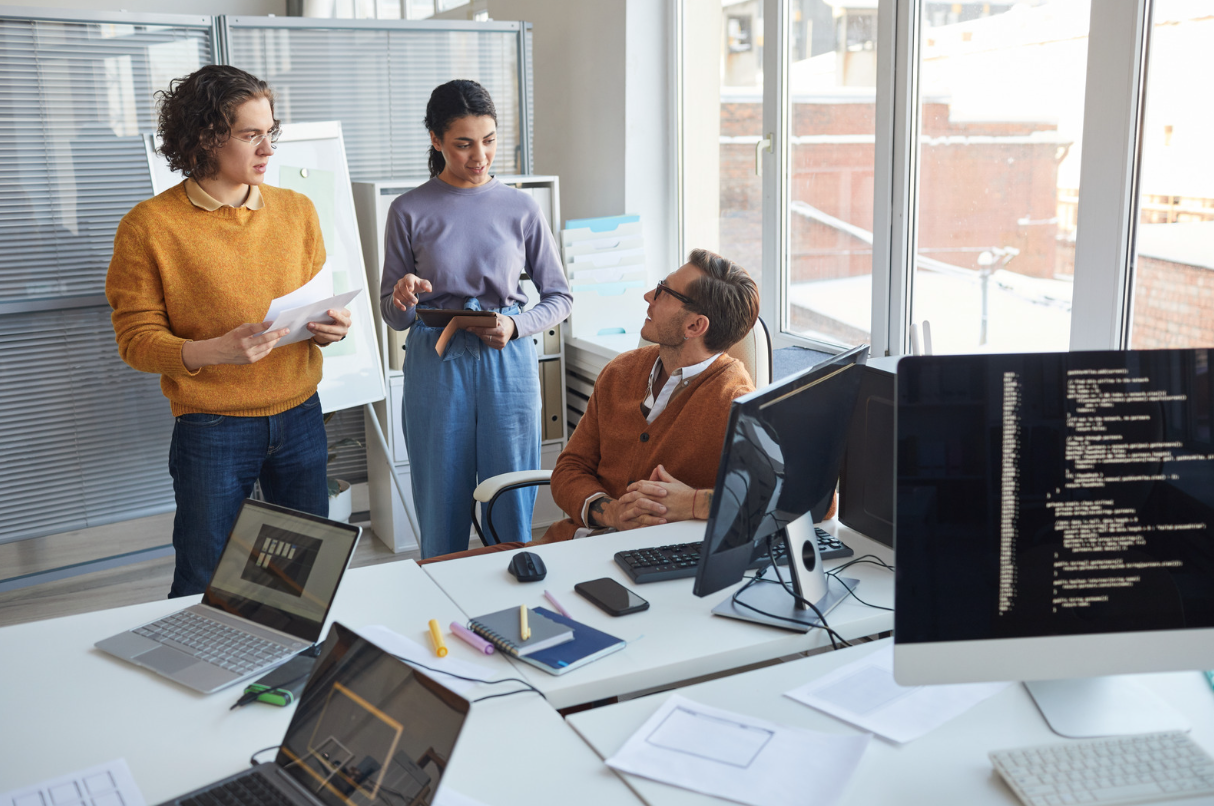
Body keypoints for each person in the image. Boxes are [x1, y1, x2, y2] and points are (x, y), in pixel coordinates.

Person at [105, 66, 351, 597]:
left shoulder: (299, 211)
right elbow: (135, 340)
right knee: (204, 578)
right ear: (205, 137)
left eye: (270, 132)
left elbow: (312, 308)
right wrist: (213, 350)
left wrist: (329, 328)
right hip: (211, 428)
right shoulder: (148, 227)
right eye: (250, 134)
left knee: (299, 576)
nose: (267, 148)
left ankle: (286, 674)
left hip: (301, 415)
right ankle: (195, 675)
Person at [420, 248, 760, 563]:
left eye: (663, 291)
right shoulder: (623, 371)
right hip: (569, 548)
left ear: (694, 326)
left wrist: (696, 503)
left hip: (646, 565)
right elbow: (570, 468)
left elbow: (781, 503)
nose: (648, 296)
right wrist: (608, 512)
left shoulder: (735, 401)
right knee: (426, 574)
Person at [379, 79, 572, 559]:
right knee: (440, 497)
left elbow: (560, 298)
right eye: (464, 144)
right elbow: (394, 315)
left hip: (507, 360)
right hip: (436, 360)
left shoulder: (522, 207)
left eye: (489, 141)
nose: (479, 156)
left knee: (510, 496)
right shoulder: (408, 210)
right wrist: (402, 296)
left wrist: (516, 325)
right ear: (436, 139)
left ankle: (516, 602)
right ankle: (443, 608)